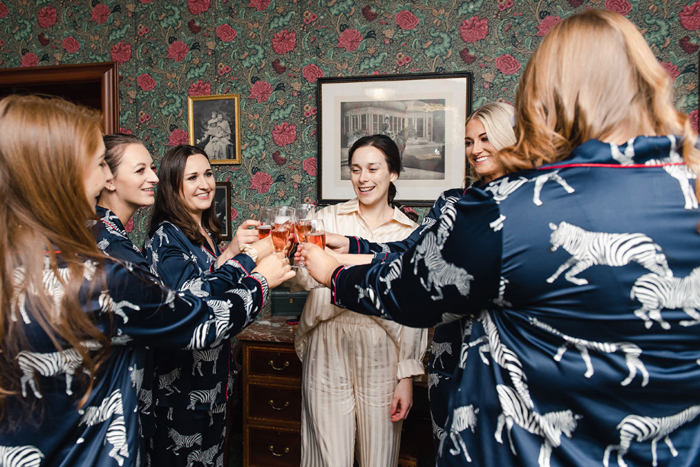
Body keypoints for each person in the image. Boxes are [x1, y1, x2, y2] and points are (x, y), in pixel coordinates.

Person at [301, 10, 700, 466]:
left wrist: (336, 276)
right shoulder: (690, 188)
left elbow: (415, 289)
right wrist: (354, 249)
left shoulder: (506, 208)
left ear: (542, 98)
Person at [0, 95, 294, 466]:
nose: (107, 178)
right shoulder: (98, 278)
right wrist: (260, 277)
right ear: (60, 173)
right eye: (98, 165)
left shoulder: (22, 262)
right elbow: (199, 322)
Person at [322, 102, 516, 451]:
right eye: (469, 142)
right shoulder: (453, 203)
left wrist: (336, 269)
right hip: (451, 355)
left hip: (505, 356)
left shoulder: (528, 204)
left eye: (486, 139)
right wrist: (347, 246)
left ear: (512, 139)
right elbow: (410, 253)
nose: (476, 150)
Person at [289, 134, 427, 466]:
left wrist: (406, 376)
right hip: (328, 340)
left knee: (378, 457)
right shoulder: (326, 220)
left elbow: (414, 309)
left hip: (384, 348)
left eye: (372, 168)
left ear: (392, 173)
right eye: (355, 169)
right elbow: (303, 280)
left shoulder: (410, 232)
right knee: (326, 458)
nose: (363, 178)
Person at [143, 145, 269, 465]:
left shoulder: (206, 231)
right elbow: (190, 301)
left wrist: (232, 250)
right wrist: (244, 261)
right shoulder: (165, 237)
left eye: (209, 174)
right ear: (173, 187)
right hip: (181, 392)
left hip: (214, 385)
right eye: (193, 177)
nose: (205, 184)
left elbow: (208, 279)